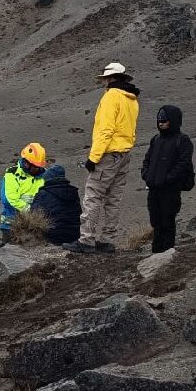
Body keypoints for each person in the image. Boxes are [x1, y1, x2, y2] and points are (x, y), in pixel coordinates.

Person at [64, 62, 141, 254]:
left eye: (105, 78)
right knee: (113, 199)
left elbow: (105, 131)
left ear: (110, 78)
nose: (104, 82)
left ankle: (87, 240)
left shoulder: (111, 98)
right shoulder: (132, 99)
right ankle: (107, 240)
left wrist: (93, 158)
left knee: (93, 196)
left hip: (107, 155)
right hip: (124, 155)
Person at [141, 106, 195, 254]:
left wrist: (168, 178)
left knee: (167, 220)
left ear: (173, 121)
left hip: (170, 189)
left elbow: (183, 163)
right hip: (154, 188)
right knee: (156, 221)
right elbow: (147, 159)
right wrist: (146, 175)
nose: (161, 123)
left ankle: (167, 252)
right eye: (159, 120)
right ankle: (156, 252)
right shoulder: (156, 139)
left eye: (164, 120)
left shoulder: (182, 140)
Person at [0, 142, 49, 240]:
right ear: (26, 163)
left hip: (37, 226)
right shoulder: (12, 174)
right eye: (35, 166)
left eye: (39, 167)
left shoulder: (46, 176)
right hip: (11, 225)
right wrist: (30, 211)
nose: (37, 169)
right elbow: (9, 200)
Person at [31, 163, 82, 244]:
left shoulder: (43, 193)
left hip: (53, 237)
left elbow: (33, 215)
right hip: (74, 235)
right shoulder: (73, 192)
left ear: (49, 178)